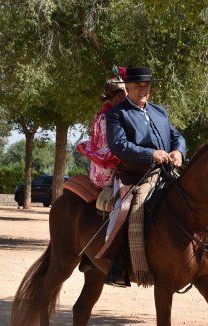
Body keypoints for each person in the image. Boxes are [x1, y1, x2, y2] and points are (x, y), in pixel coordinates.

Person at [99, 66, 187, 287]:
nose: (143, 90)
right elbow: (119, 145)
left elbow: (177, 137)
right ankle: (116, 264)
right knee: (126, 208)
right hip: (134, 175)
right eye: (138, 86)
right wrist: (151, 154)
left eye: (146, 86)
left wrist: (178, 151)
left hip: (166, 173)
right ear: (127, 88)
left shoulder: (160, 112)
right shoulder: (117, 114)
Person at [76, 75, 127, 188]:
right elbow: (112, 150)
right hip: (108, 175)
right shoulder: (108, 118)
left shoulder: (101, 114)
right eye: (126, 95)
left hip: (97, 172)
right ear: (119, 96)